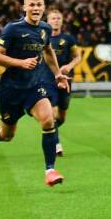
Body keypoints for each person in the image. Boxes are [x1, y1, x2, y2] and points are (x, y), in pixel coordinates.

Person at [0, 0, 69, 186]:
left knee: (48, 120)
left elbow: (48, 50)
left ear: (43, 7)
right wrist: (20, 62)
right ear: (24, 7)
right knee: (7, 135)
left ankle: (50, 170)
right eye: (31, 5)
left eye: (39, 5)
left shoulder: (45, 29)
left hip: (35, 86)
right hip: (11, 89)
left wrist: (57, 74)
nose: (35, 8)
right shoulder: (12, 29)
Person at [40, 9, 82, 157]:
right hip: (47, 80)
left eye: (58, 18)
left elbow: (78, 57)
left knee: (61, 116)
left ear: (62, 21)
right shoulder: (42, 38)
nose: (56, 20)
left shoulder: (68, 39)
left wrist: (69, 67)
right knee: (52, 113)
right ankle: (56, 143)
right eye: (53, 18)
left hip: (65, 80)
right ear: (48, 21)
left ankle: (50, 129)